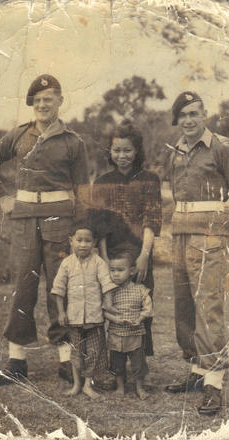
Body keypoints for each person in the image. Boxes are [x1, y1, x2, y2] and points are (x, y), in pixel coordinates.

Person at [0, 74, 89, 384]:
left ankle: (66, 361)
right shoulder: (18, 136)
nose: (43, 104)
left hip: (60, 221)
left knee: (61, 288)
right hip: (24, 220)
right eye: (38, 100)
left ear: (60, 101)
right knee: (22, 289)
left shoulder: (73, 141)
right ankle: (17, 361)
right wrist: (2, 198)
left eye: (49, 99)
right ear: (33, 104)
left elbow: (83, 189)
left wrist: (81, 231)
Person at [165, 91, 229, 415]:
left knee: (209, 309)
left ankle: (214, 385)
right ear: (177, 120)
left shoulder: (220, 147)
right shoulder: (175, 151)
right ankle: (196, 372)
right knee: (184, 308)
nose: (188, 120)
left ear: (204, 113)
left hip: (210, 237)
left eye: (194, 113)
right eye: (183, 115)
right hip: (180, 235)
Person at [91, 121, 161, 357]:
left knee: (140, 304)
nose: (122, 156)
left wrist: (144, 256)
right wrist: (104, 260)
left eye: (128, 150)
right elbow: (99, 226)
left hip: (140, 254)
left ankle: (139, 364)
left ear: (137, 151)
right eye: (117, 150)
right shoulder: (102, 183)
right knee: (111, 306)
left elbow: (151, 220)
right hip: (111, 255)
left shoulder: (149, 179)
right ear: (110, 151)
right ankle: (115, 363)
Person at [51, 222, 117, 399]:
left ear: (94, 243)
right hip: (73, 317)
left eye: (88, 241)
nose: (83, 244)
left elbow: (106, 284)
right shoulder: (66, 263)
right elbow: (58, 289)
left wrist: (108, 304)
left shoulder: (99, 263)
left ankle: (88, 384)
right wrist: (61, 312)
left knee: (94, 352)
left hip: (94, 317)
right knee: (76, 352)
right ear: (71, 241)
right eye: (79, 240)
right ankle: (76, 385)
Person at [104, 251, 153, 399]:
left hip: (135, 334)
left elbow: (148, 308)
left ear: (131, 271)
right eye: (112, 270)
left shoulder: (140, 290)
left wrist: (140, 319)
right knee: (116, 363)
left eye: (120, 270)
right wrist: (115, 319)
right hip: (116, 334)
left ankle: (139, 387)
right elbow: (103, 310)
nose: (116, 274)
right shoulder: (109, 292)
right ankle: (120, 386)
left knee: (138, 363)